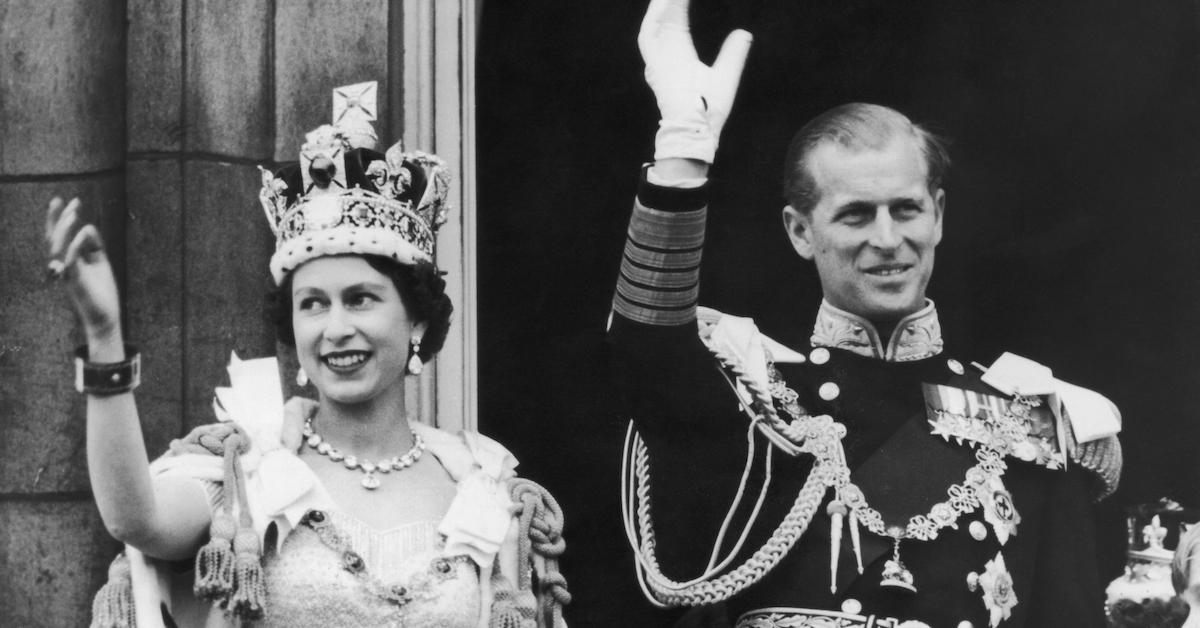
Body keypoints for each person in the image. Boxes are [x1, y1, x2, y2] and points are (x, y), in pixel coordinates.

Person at [610, 1, 1123, 626]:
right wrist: (684, 151)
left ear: (938, 215)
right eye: (855, 215)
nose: (887, 238)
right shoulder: (759, 406)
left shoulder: (1032, 425)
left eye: (905, 209)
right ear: (800, 232)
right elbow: (647, 349)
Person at [47, 82, 569, 628]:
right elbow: (137, 518)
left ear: (416, 318)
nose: (336, 328)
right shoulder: (248, 471)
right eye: (313, 304)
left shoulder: (481, 484)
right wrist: (106, 337)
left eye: (361, 299)